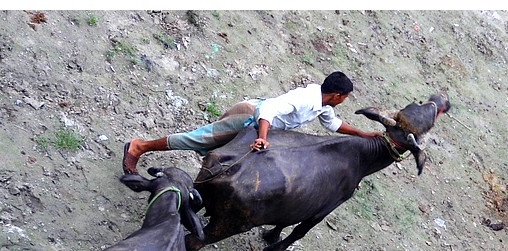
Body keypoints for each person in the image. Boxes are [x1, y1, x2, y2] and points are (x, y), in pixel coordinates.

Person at [122, 71, 381, 174]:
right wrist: (263, 136)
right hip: (249, 117)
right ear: (337, 95)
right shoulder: (304, 98)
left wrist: (363, 134)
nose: (344, 101)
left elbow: (333, 124)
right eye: (345, 97)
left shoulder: (323, 105)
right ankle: (139, 147)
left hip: (262, 128)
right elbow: (268, 108)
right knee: (198, 139)